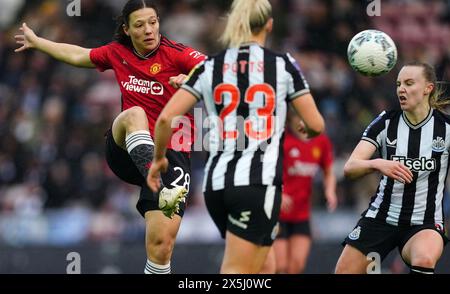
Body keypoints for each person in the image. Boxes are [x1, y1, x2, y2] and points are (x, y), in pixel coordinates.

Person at [15, 0, 205, 274]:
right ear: (126, 29)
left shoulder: (177, 54)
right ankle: (157, 182)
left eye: (153, 22)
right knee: (133, 114)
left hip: (171, 153)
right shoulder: (118, 52)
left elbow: (210, 70)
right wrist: (38, 42)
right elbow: (79, 55)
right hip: (127, 149)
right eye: (140, 25)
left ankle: (158, 187)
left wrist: (190, 81)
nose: (149, 30)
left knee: (162, 245)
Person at [147, 0, 325, 274]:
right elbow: (315, 124)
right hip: (256, 186)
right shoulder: (282, 65)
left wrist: (159, 159)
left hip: (216, 187)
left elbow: (166, 119)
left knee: (266, 268)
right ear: (269, 24)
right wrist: (307, 130)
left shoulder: (209, 66)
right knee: (237, 273)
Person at [335, 62, 449, 274]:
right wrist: (378, 164)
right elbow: (350, 167)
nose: (401, 89)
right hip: (380, 218)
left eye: (409, 83)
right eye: (398, 84)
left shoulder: (446, 128)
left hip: (424, 223)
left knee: (424, 258)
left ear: (428, 88)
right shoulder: (385, 122)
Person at [262, 110, 337, 274]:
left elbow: (328, 170)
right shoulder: (281, 142)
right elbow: (264, 171)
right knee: (279, 266)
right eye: (298, 118)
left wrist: (330, 191)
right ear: (290, 120)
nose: (302, 123)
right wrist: (278, 193)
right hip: (277, 214)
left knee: (296, 266)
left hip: (301, 214)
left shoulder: (321, 142)